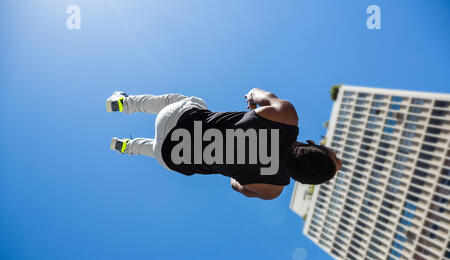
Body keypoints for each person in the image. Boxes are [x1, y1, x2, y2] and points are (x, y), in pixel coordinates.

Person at [106, 88, 342, 200]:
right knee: (161, 150)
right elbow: (235, 185)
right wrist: (234, 165)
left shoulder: (286, 116)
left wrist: (251, 102)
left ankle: (125, 103)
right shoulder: (272, 189)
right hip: (172, 159)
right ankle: (129, 147)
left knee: (186, 101)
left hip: (176, 118)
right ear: (301, 178)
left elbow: (254, 93)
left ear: (314, 143)